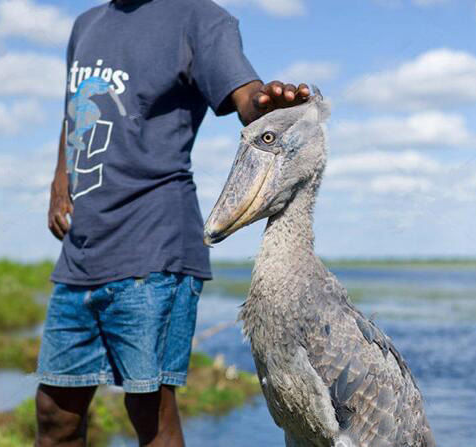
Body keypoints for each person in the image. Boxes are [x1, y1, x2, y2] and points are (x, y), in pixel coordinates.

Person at [34, 0, 311, 446]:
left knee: (149, 411)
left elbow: (247, 97)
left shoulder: (199, 18)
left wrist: (269, 107)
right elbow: (76, 109)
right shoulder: (85, 25)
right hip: (83, 252)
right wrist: (60, 176)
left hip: (154, 249)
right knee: (54, 414)